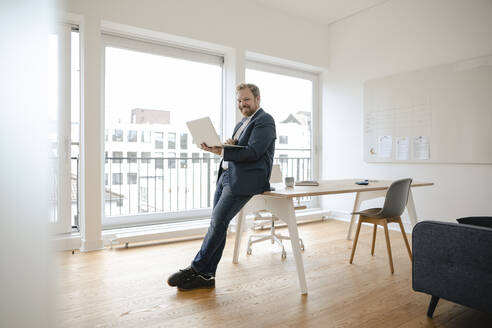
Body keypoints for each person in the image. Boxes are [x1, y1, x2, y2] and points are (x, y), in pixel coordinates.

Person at [167, 83, 276, 291]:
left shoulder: (265, 121)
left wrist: (221, 151)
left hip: (244, 181)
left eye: (246, 100)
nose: (242, 104)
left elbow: (253, 152)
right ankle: (207, 276)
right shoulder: (242, 123)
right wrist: (227, 145)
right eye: (239, 100)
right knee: (218, 223)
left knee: (218, 221)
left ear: (257, 99)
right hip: (227, 176)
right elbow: (241, 148)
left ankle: (196, 268)